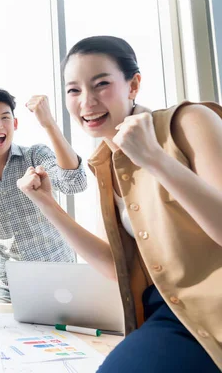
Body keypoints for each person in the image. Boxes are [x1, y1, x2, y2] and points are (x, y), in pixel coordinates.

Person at [18, 35, 221, 371]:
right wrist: (47, 205)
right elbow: (119, 268)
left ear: (133, 85)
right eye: (74, 90)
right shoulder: (103, 165)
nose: (87, 102)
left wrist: (155, 159)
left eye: (101, 84)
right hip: (171, 313)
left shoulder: (189, 122)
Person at [0, 88, 87, 302]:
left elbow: (75, 183)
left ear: (15, 124)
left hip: (59, 276)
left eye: (5, 118)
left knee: (67, 336)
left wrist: (49, 124)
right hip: (8, 286)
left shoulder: (35, 156)